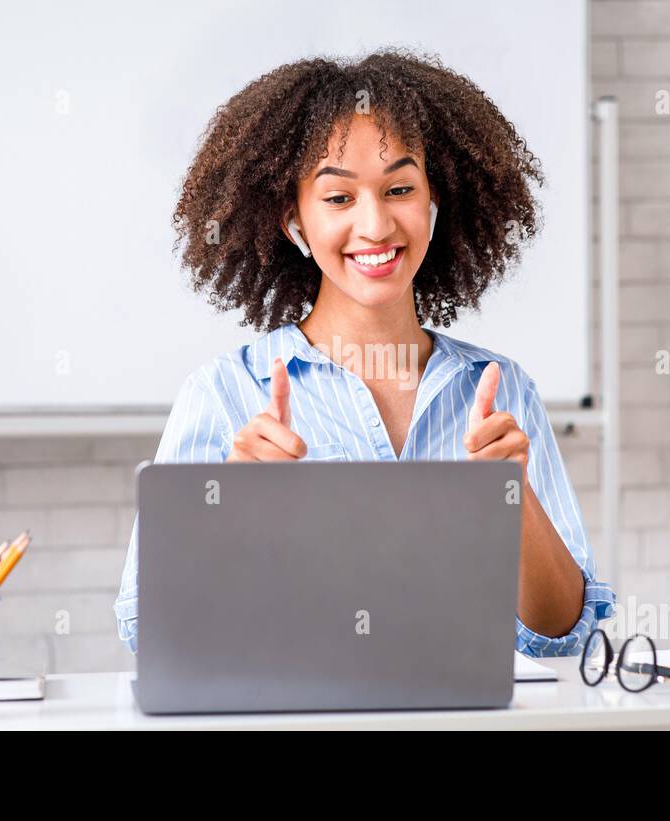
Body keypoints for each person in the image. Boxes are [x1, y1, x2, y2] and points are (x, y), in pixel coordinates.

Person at [115, 49, 614, 658]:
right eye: (338, 198)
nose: (376, 226)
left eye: (399, 188)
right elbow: (153, 634)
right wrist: (231, 508)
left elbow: (566, 635)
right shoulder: (224, 394)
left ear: (435, 201)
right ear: (292, 219)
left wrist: (513, 497)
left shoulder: (499, 389)